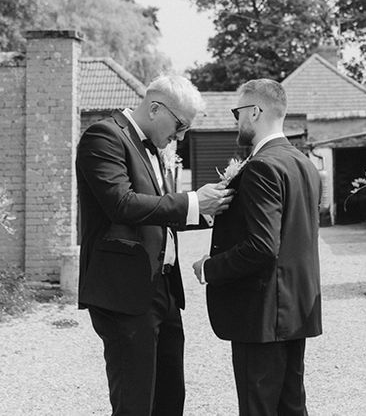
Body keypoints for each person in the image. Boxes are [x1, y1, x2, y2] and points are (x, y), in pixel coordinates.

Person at [77, 74, 235, 416]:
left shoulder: (152, 146)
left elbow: (159, 212)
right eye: (179, 125)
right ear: (154, 107)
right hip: (124, 291)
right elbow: (121, 204)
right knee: (135, 404)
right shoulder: (103, 137)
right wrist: (192, 200)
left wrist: (213, 209)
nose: (181, 135)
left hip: (163, 289)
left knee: (169, 398)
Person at [193, 79, 322, 416]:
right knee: (291, 406)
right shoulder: (304, 163)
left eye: (239, 113)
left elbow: (262, 245)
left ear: (255, 111)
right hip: (295, 308)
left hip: (262, 312)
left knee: (259, 408)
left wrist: (210, 267)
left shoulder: (263, 166)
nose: (238, 121)